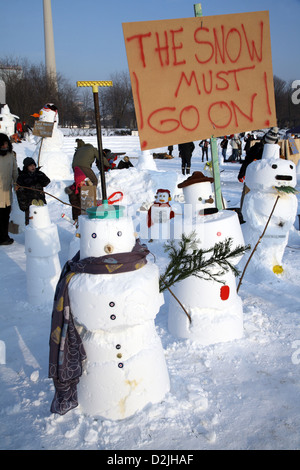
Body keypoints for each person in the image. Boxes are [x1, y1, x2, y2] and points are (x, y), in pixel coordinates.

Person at [16, 157, 51, 225]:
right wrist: (24, 206)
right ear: (26, 167)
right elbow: (20, 193)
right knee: (31, 224)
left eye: (34, 165)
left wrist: (40, 176)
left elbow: (46, 182)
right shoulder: (22, 177)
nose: (33, 167)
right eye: (30, 165)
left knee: (43, 222)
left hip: (41, 202)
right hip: (29, 204)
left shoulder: (38, 174)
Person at [0, 133, 18, 245]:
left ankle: (3, 237)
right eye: (3, 144)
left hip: (6, 191)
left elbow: (14, 171)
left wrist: (17, 182)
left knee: (5, 215)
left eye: (6, 143)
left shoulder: (11, 155)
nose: (5, 146)